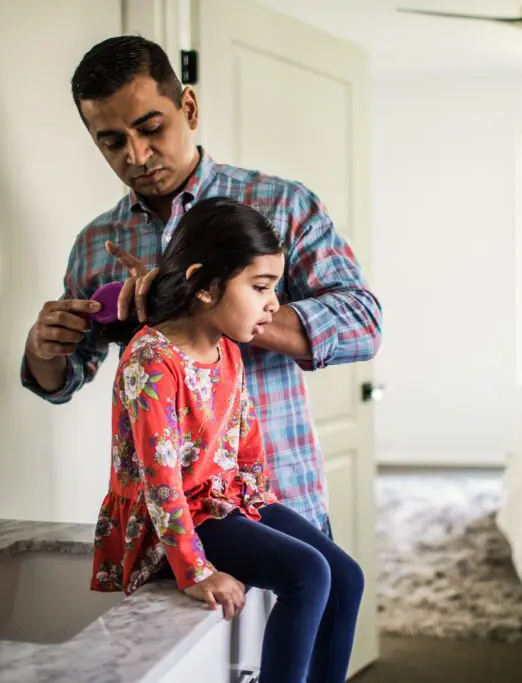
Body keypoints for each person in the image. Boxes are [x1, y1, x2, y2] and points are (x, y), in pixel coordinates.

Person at [22, 35, 382, 534]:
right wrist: (43, 349)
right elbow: (63, 378)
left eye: (151, 127)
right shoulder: (95, 244)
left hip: (279, 499)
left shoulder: (282, 206)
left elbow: (363, 325)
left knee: (323, 595)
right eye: (112, 141)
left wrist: (204, 306)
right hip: (170, 526)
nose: (138, 155)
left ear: (188, 106)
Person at [92, 195, 363, 683]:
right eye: (260, 287)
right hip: (174, 517)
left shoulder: (228, 350)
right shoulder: (152, 360)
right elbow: (160, 483)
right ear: (204, 285)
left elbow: (247, 448)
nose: (274, 303)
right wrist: (195, 568)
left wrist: (263, 512)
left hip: (223, 501)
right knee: (308, 574)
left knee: (346, 576)